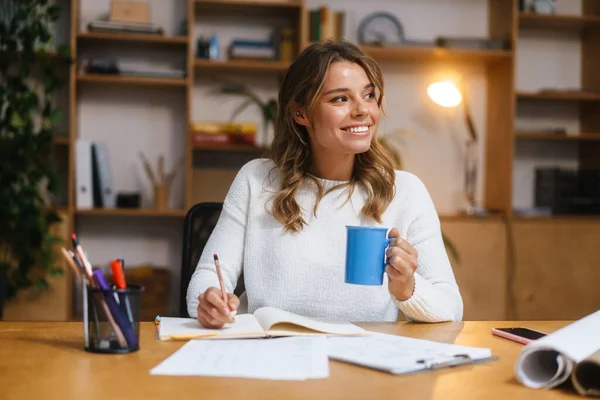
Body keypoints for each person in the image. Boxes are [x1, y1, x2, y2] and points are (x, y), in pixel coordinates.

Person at [187, 41, 463, 328]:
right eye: (340, 99)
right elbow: (208, 275)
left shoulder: (405, 191)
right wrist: (209, 302)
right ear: (301, 113)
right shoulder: (256, 180)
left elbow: (451, 307)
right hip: (270, 355)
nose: (362, 111)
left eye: (368, 95)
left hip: (363, 361)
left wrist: (407, 288)